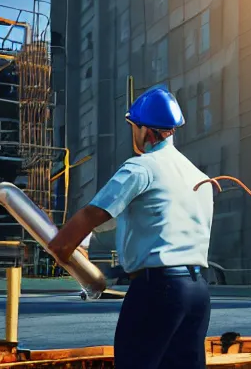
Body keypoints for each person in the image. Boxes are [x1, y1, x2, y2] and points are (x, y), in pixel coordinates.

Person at [48, 87, 214, 369]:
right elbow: (143, 217)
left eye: (133, 127)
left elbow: (92, 214)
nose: (133, 133)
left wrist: (60, 247)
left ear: (147, 131)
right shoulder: (198, 177)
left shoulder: (141, 168)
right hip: (197, 292)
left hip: (157, 290)